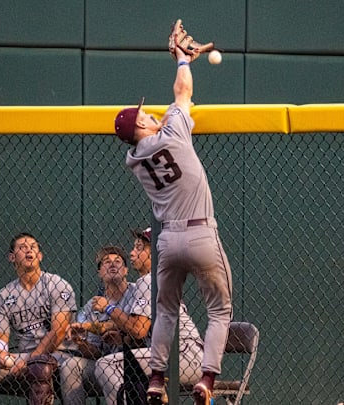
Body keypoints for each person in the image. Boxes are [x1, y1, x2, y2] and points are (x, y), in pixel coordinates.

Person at [113, 20, 233, 405]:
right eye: (145, 115)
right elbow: (182, 93)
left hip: (167, 241)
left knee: (165, 312)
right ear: (145, 125)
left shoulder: (134, 158)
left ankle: (156, 380)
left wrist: (182, 60)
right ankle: (207, 382)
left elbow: (158, 121)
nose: (151, 114)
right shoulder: (173, 132)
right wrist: (183, 61)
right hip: (199, 234)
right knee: (220, 310)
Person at [76, 230, 202, 405]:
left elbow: (138, 329)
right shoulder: (160, 278)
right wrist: (119, 338)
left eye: (139, 248)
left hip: (181, 354)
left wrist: (108, 307)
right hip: (182, 354)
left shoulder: (148, 280)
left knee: (107, 365)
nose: (132, 252)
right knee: (125, 366)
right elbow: (134, 329)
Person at [0, 233, 80, 404]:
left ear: (40, 255)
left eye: (33, 247)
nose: (29, 250)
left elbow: (59, 331)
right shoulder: (5, 294)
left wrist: (31, 360)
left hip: (60, 354)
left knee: (38, 367)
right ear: (12, 257)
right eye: (22, 247)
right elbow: (0, 335)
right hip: (22, 356)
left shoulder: (56, 284)